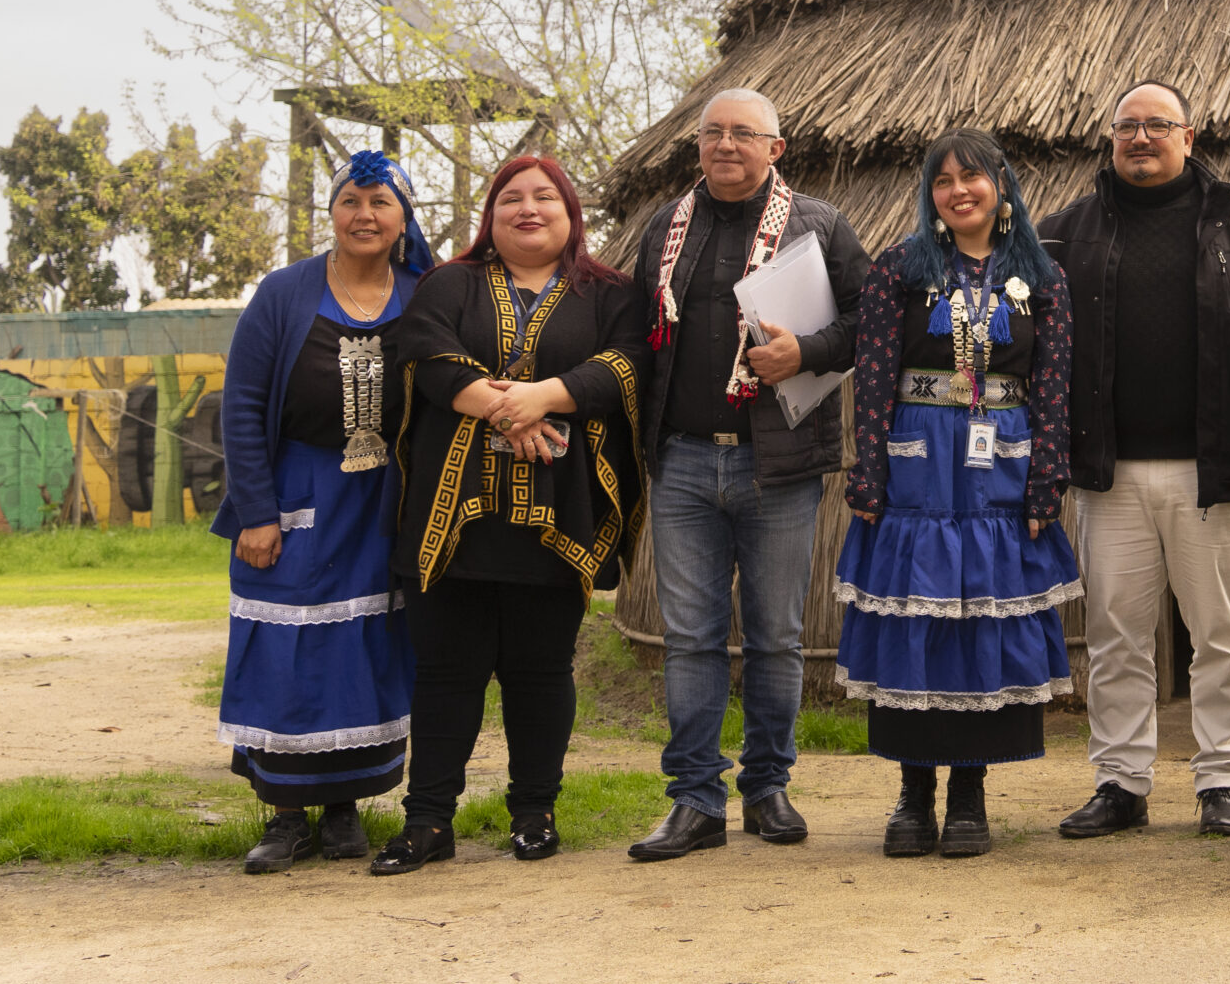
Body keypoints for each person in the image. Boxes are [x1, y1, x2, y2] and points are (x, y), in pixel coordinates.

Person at [370, 154, 648, 876]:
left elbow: (625, 365)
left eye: (545, 197)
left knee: (540, 671)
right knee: (445, 673)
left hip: (558, 517)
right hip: (454, 520)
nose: (528, 208)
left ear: (570, 212)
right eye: (511, 198)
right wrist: (507, 409)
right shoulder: (449, 284)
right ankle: (428, 821)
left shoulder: (609, 293)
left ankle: (534, 813)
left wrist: (543, 395)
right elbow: (425, 355)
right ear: (490, 216)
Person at [1037, 81, 1230, 840]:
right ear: (1111, 138)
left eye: (1157, 125)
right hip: (1109, 472)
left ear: (1189, 136)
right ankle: (1121, 781)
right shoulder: (1063, 235)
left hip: (1213, 469)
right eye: (1127, 126)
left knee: (1220, 632)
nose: (1140, 138)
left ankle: (1221, 779)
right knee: (1116, 634)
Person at [625, 88, 868, 863]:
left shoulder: (819, 225)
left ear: (776, 148)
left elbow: (871, 322)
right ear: (697, 144)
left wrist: (808, 351)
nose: (726, 144)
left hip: (780, 464)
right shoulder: (665, 225)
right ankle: (695, 799)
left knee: (776, 638)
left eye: (743, 133)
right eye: (713, 133)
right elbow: (635, 332)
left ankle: (767, 788)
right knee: (690, 638)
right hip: (684, 459)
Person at [836, 129, 1079, 859]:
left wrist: (1046, 482)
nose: (957, 191)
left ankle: (970, 793)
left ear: (1000, 186)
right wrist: (869, 471)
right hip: (918, 466)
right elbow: (872, 376)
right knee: (918, 615)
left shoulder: (1041, 276)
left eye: (971, 177)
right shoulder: (898, 269)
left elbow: (1054, 387)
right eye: (942, 181)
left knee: (981, 620)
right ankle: (913, 794)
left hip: (1001, 463)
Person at [214, 152, 432, 875]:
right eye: (351, 201)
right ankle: (284, 815)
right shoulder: (284, 293)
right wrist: (256, 511)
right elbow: (242, 405)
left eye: (380, 202)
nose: (365, 215)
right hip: (296, 490)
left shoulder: (424, 292)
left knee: (365, 649)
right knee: (287, 649)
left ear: (403, 216)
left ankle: (344, 806)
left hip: (384, 501)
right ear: (332, 212)